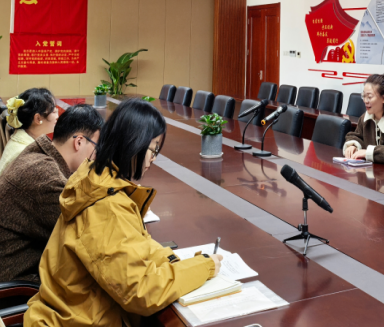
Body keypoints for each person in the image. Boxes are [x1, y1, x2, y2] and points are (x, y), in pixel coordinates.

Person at [25, 98, 223, 327]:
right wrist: (205, 267)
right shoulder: (107, 206)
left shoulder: (97, 179)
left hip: (70, 314)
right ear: (134, 143)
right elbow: (141, 292)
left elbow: (138, 244)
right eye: (153, 148)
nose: (154, 158)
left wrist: (173, 261)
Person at [0, 104, 103, 283]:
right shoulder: (45, 177)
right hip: (20, 283)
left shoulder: (39, 154)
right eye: (97, 147)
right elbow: (86, 236)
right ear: (79, 142)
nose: (96, 157)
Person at [0, 88, 58, 174]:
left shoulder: (24, 140)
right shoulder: (24, 154)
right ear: (38, 118)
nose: (57, 116)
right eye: (53, 111)